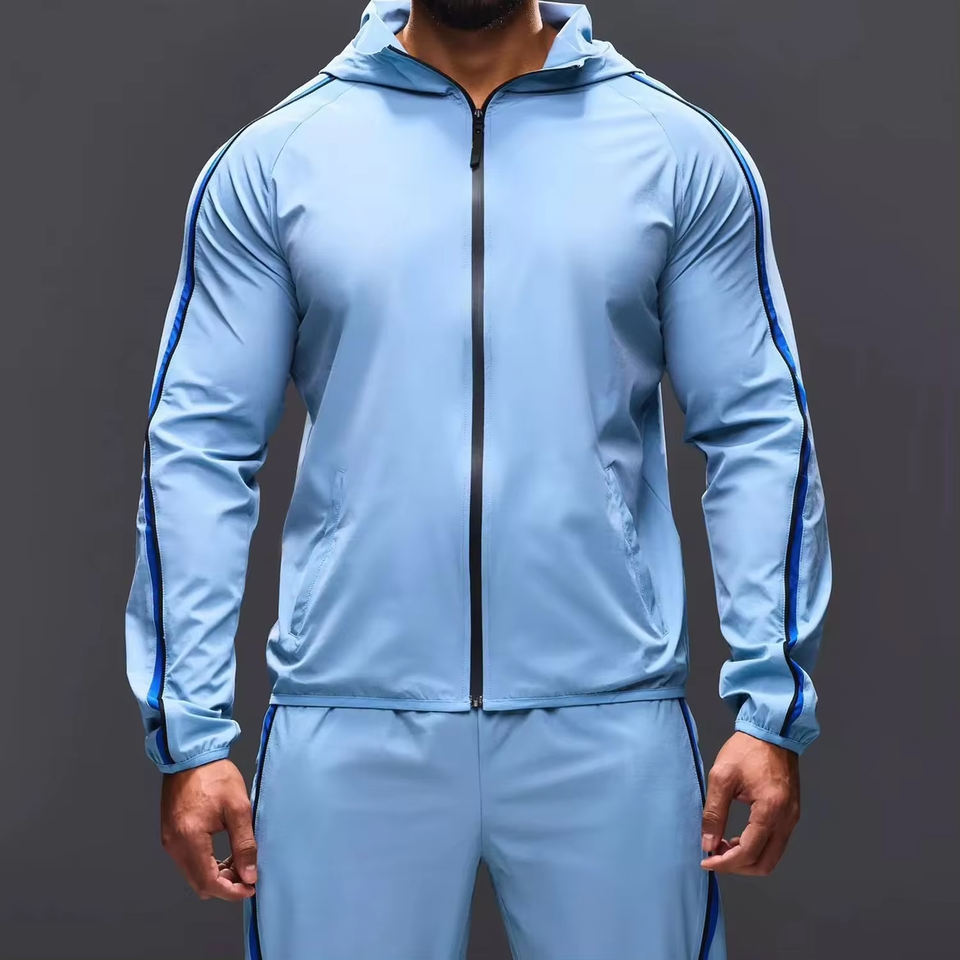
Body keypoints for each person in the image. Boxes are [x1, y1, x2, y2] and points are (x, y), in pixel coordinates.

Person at [124, 1, 833, 957]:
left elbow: (757, 428)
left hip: (609, 717)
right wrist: (192, 729)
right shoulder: (278, 159)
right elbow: (199, 447)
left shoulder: (677, 152)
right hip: (350, 715)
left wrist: (771, 707)